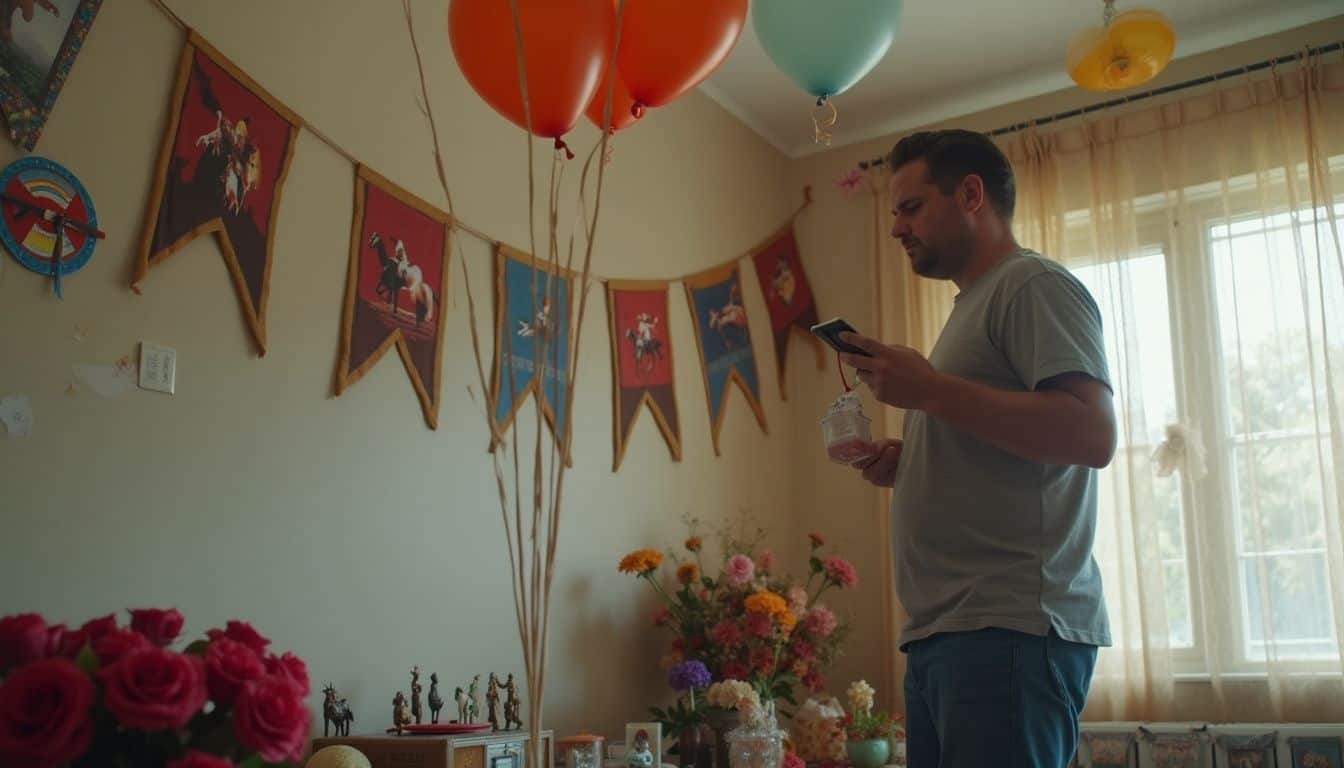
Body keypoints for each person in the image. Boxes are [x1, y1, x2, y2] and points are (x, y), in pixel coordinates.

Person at [838, 130, 1116, 768]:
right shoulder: (975, 306)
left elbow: (1090, 434)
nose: (896, 228)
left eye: (910, 207)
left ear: (970, 194)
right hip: (952, 634)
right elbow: (1004, 438)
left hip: (1008, 629)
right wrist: (912, 462)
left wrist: (930, 391)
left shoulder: (1033, 285)